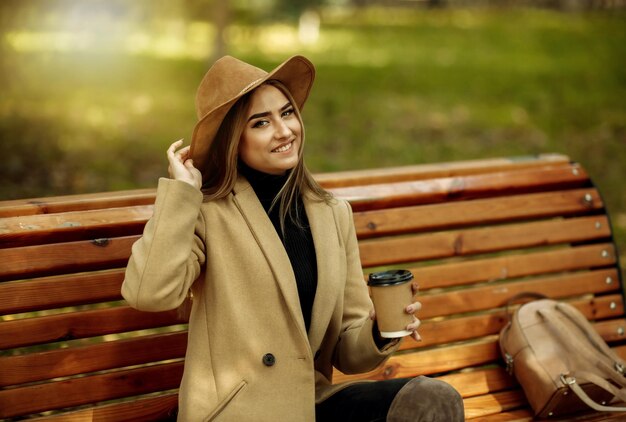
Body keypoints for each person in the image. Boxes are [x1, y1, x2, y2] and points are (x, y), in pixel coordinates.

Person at [121, 55, 464, 422]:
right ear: (233, 140)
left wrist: (380, 329)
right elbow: (149, 293)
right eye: (261, 122)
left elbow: (348, 351)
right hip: (241, 411)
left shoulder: (332, 213)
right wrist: (180, 195)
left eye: (286, 113)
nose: (284, 131)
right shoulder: (207, 213)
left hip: (309, 404)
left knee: (431, 399)